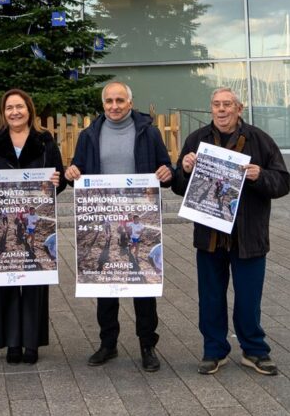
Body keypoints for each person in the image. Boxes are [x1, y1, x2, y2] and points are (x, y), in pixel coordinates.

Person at [172, 87, 290, 377]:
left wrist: (260, 175)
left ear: (239, 108)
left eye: (227, 104)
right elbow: (178, 186)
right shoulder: (196, 140)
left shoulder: (260, 140)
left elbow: (283, 183)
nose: (221, 109)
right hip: (210, 236)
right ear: (211, 108)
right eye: (216, 104)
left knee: (248, 300)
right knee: (210, 298)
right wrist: (184, 170)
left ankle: (254, 350)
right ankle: (214, 351)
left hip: (248, 237)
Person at [64, 81, 174, 373]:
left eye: (120, 100)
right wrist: (72, 172)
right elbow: (77, 170)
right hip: (104, 218)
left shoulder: (148, 132)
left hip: (140, 218)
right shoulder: (90, 134)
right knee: (106, 280)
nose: (114, 106)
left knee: (143, 282)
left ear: (130, 103)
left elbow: (166, 169)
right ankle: (108, 343)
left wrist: (168, 172)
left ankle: (147, 345)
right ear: (103, 104)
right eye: (109, 101)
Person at [0, 88, 65, 365]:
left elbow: (58, 179)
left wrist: (56, 182)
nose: (15, 112)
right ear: (3, 112)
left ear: (29, 110)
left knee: (34, 278)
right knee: (6, 276)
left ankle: (31, 343)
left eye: (19, 107)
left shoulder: (45, 141)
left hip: (35, 217)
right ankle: (12, 342)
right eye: (9, 108)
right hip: (5, 217)